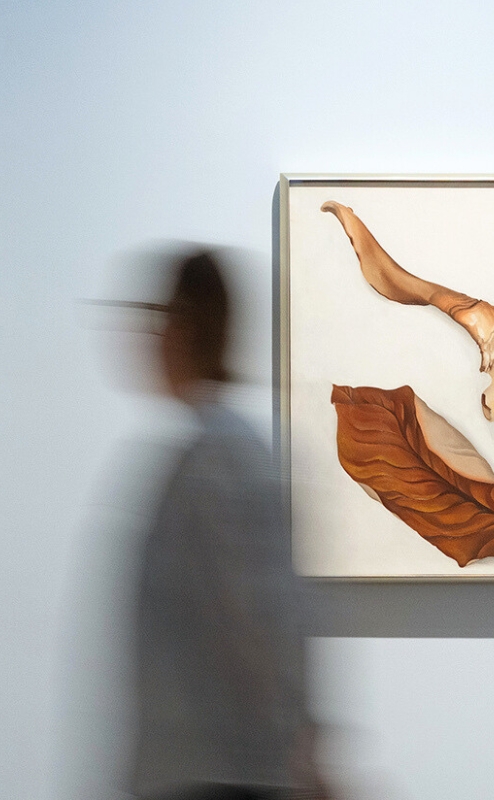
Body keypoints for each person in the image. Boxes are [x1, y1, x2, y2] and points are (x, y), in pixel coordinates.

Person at [128, 249, 327, 800]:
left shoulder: (221, 457)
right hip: (212, 768)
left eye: (156, 317)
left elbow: (259, 621)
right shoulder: (210, 453)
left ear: (185, 327)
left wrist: (302, 750)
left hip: (223, 774)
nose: (148, 339)